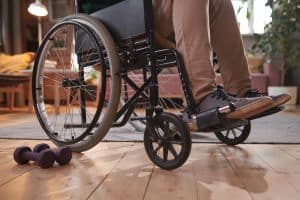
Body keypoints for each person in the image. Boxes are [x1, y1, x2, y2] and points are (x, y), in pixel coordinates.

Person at [152, 0, 290, 119]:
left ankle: (239, 91)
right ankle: (201, 98)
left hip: (167, 15)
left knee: (219, 2)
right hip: (142, 20)